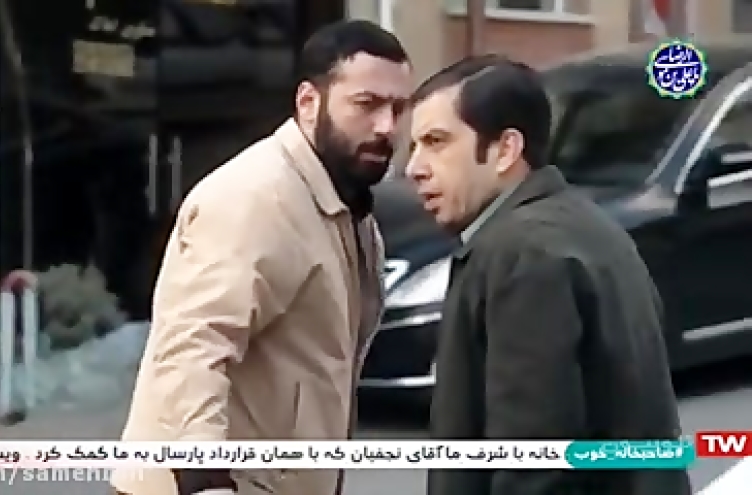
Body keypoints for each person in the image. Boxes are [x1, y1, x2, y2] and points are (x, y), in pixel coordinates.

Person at [110, 20, 413, 495]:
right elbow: (192, 347)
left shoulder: (344, 203)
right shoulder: (257, 196)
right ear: (308, 102)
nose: (386, 127)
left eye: (397, 109)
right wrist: (205, 480)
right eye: (366, 104)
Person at [405, 55, 692, 495]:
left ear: (506, 150)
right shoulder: (583, 227)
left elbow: (534, 459)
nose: (414, 167)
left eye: (436, 142)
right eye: (414, 146)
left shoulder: (524, 253)